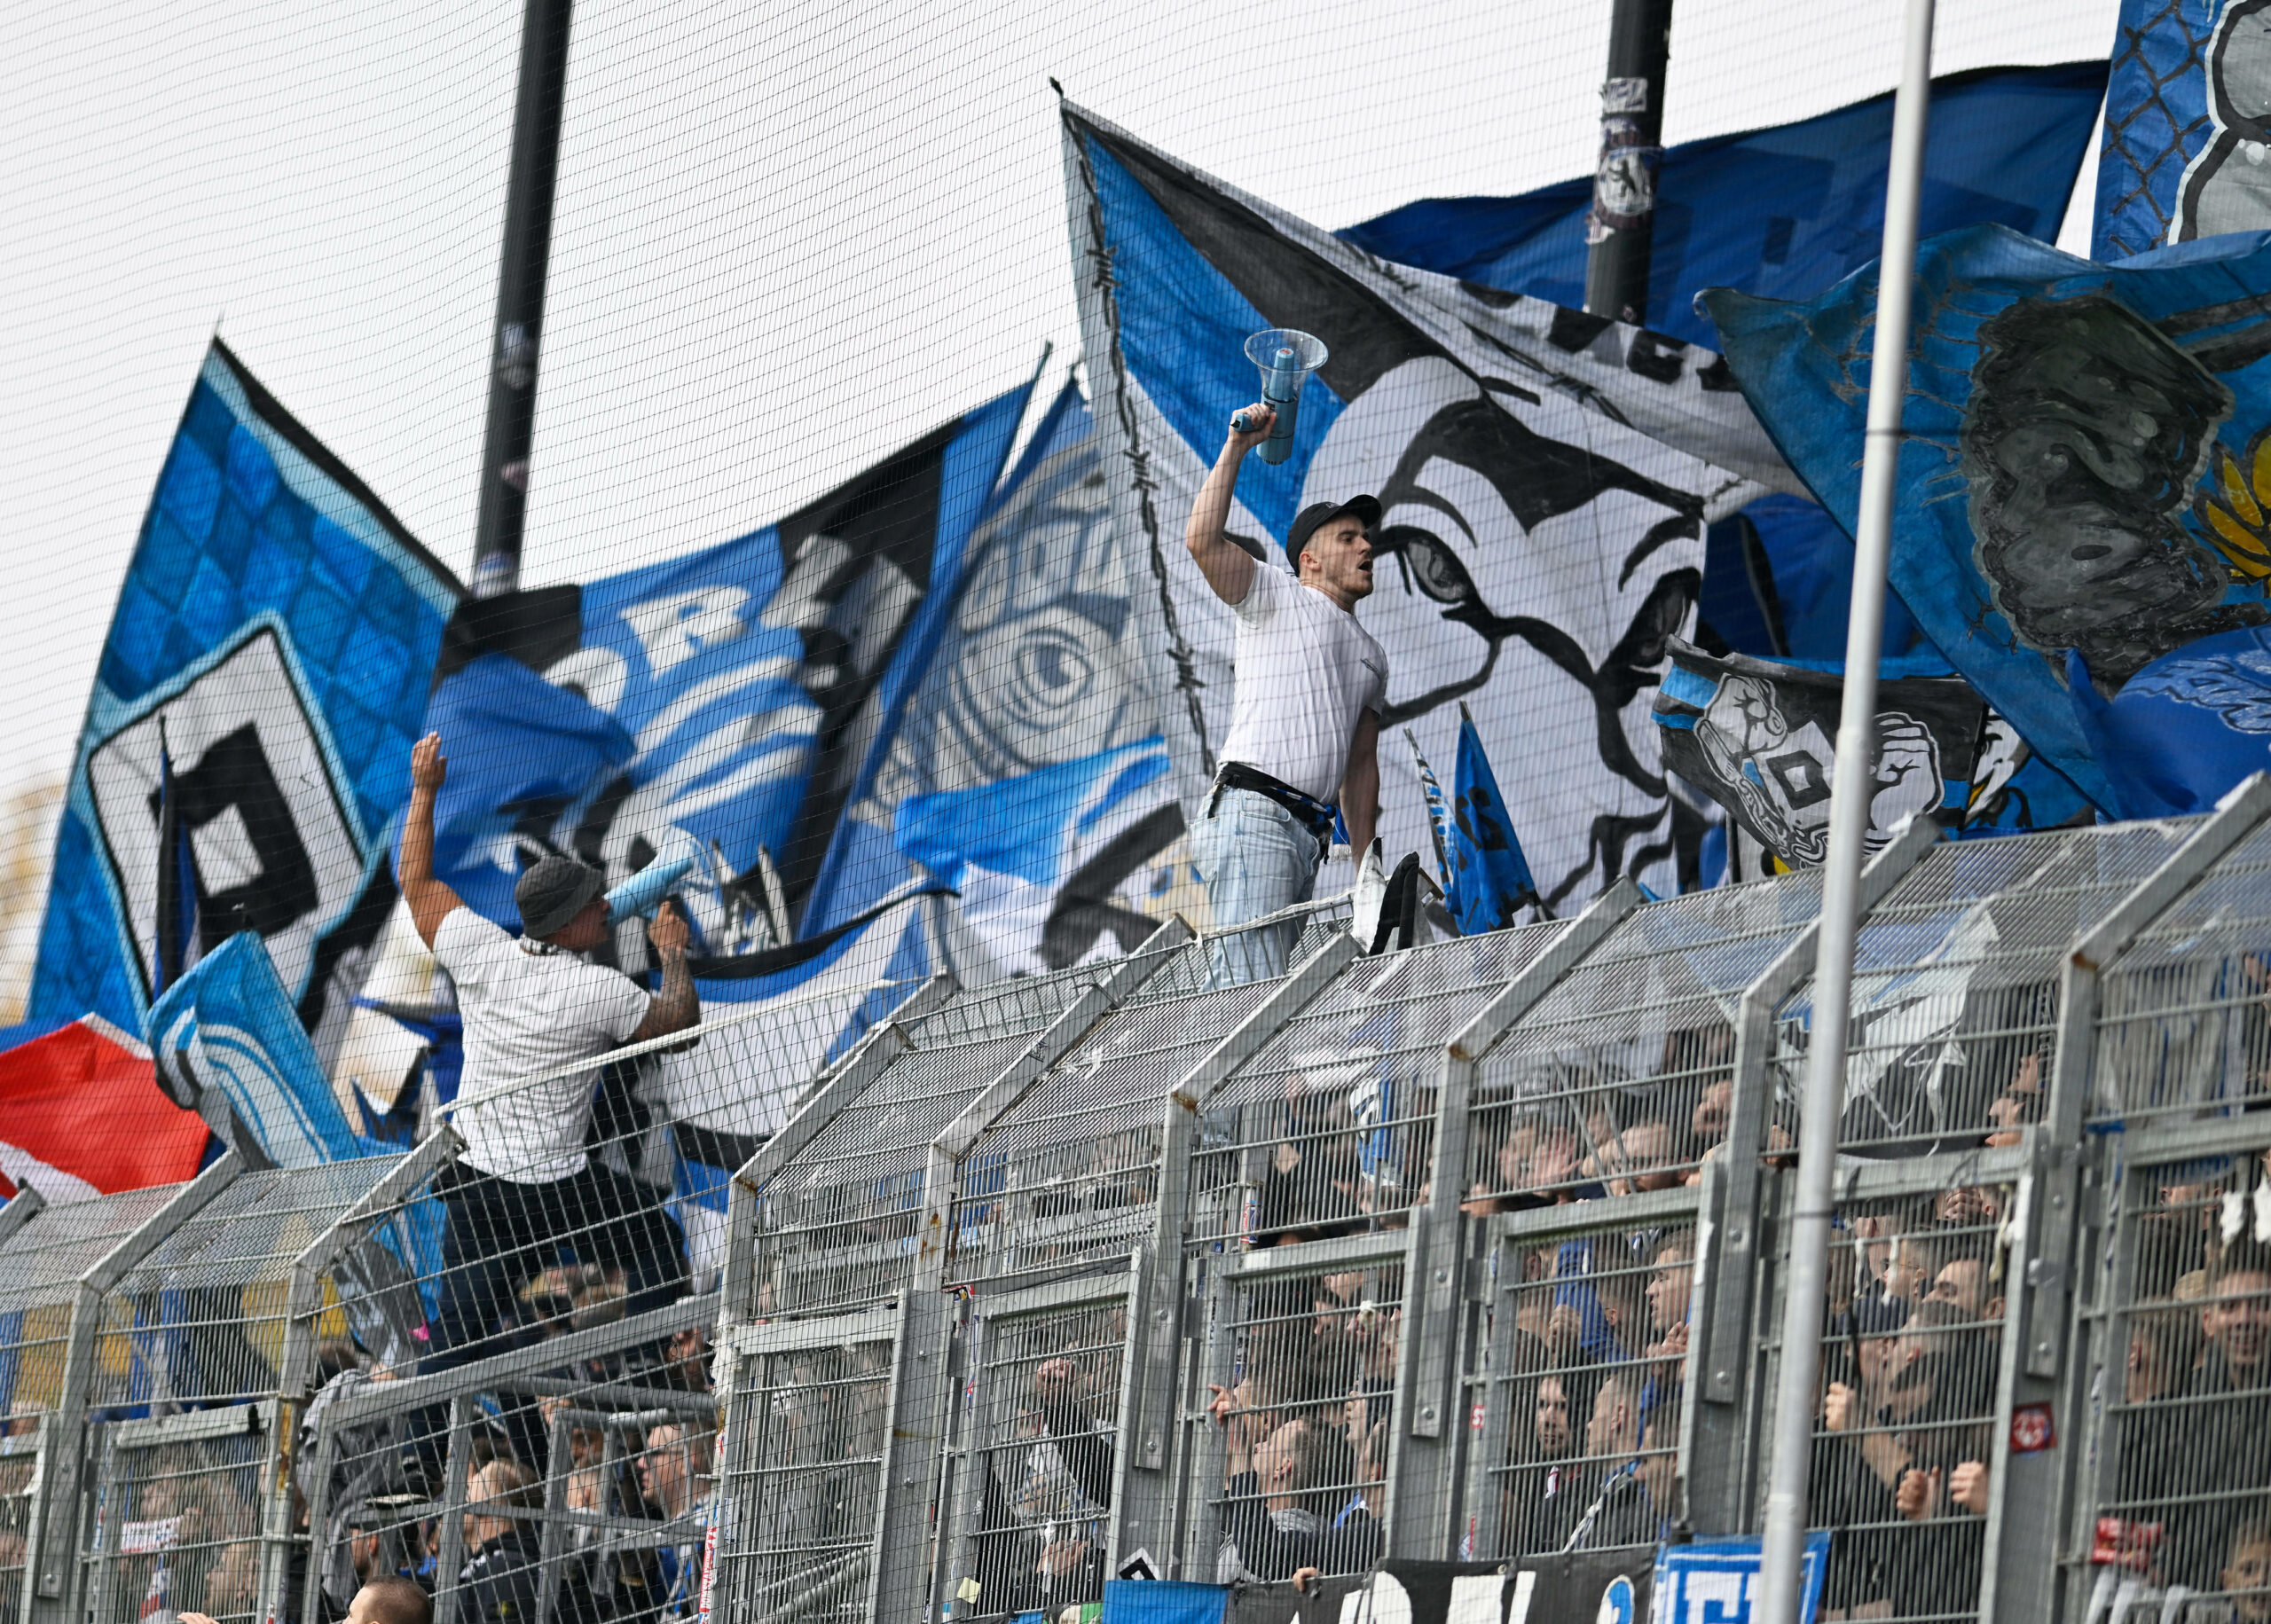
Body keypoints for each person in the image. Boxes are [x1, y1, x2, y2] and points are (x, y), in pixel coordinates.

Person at [397, 733, 698, 1376]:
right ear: (566, 926)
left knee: (453, 1345)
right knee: (659, 1242)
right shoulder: (595, 990)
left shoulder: (482, 950)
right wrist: (671, 950)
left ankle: (421, 1467)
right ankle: (646, 1372)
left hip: (481, 1190)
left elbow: (416, 881)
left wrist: (424, 790)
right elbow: (679, 1026)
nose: (605, 906)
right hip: (557, 1191)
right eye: (594, 904)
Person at [1183, 404, 1386, 982]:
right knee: (1251, 994)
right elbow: (1201, 540)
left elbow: (1361, 767)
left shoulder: (1374, 658)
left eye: (1366, 537)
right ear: (1310, 560)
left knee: (1250, 990)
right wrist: (1237, 446)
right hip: (1256, 810)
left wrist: (1366, 870)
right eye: (1348, 537)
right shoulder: (1275, 592)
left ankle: (1210, 1073)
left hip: (1306, 837)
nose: (1365, 546)